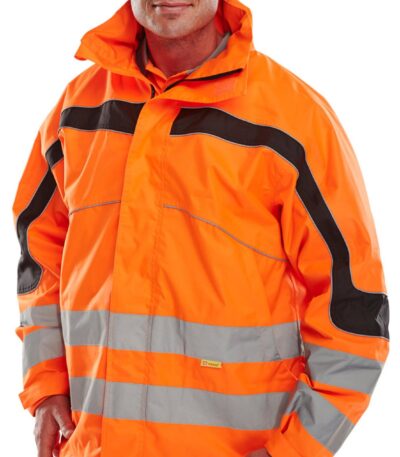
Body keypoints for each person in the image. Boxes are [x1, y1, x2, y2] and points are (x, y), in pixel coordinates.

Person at [11, 0, 390, 456]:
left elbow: (354, 311)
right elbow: (39, 257)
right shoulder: (77, 111)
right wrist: (47, 383)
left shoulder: (292, 121)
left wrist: (295, 450)